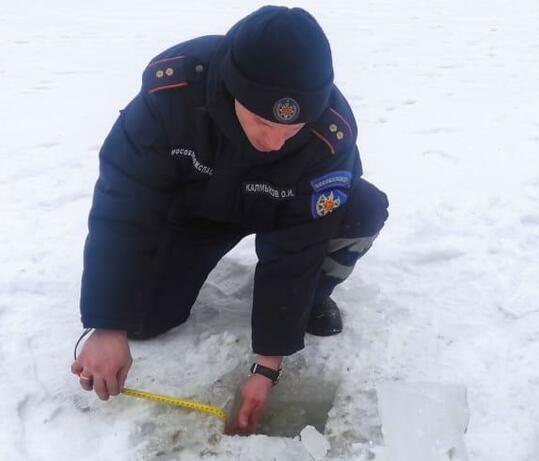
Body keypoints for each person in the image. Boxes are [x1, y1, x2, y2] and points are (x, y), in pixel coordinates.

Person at [69, 6, 388, 434]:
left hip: (282, 211)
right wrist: (107, 323)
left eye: (290, 129)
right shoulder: (172, 98)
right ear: (232, 89)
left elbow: (299, 245)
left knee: (361, 208)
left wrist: (268, 365)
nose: (275, 142)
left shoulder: (327, 137)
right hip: (196, 210)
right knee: (142, 321)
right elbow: (124, 207)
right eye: (261, 121)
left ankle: (312, 299)